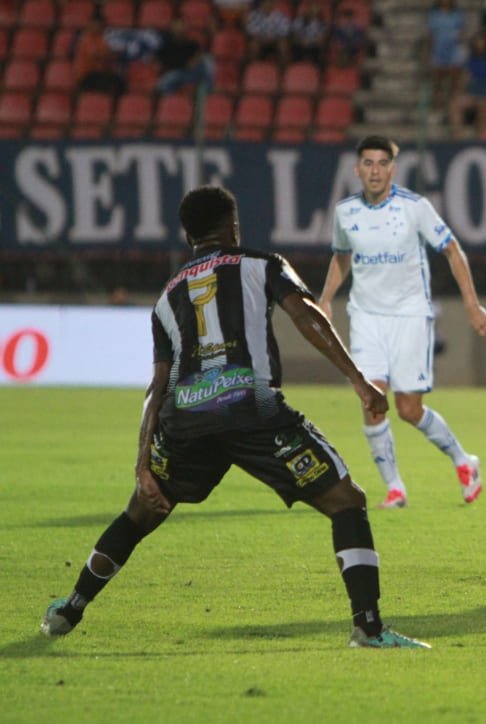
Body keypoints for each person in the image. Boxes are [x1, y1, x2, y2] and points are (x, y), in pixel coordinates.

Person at [40, 186, 427, 649]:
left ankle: (70, 608)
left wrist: (142, 464)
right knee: (346, 501)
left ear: (187, 236)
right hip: (254, 412)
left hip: (186, 422)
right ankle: (367, 627)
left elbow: (155, 388)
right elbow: (308, 319)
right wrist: (360, 381)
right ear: (232, 227)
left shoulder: (166, 297)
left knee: (139, 512)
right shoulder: (262, 264)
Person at [319, 136, 486, 510]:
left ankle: (464, 461)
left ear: (393, 169)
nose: (375, 170)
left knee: (409, 410)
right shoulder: (345, 212)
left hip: (410, 315)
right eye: (368, 163)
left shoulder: (415, 207)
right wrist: (325, 299)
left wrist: (472, 305)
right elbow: (341, 257)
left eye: (382, 163)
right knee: (371, 399)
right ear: (357, 168)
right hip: (365, 316)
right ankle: (395, 488)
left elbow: (452, 249)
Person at [449, 31, 486, 139]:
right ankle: (458, 135)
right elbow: (465, 76)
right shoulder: (471, 60)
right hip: (474, 89)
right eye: (478, 41)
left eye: (482, 41)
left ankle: (482, 136)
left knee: (483, 107)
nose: (480, 44)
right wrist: (460, 88)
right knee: (455, 104)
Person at [156, 18, 215, 95]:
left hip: (190, 73)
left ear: (185, 27)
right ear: (172, 27)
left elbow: (198, 58)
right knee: (166, 81)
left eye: (181, 25)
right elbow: (158, 62)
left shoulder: (192, 44)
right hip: (173, 73)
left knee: (208, 59)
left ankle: (208, 91)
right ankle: (169, 103)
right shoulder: (166, 45)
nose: (179, 28)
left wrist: (195, 61)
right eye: (177, 26)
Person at [74, 16, 125, 97]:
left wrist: (113, 54)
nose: (98, 27)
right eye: (95, 24)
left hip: (100, 74)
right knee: (112, 82)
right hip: (87, 76)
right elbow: (95, 56)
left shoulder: (103, 38)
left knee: (119, 82)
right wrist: (111, 55)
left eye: (101, 25)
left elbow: (112, 55)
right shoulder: (85, 39)